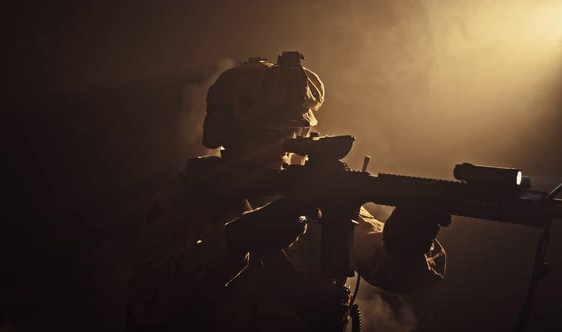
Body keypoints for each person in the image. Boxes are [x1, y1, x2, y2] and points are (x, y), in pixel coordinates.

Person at [126, 51, 449, 331]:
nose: (288, 143)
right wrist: (234, 241)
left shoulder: (318, 188)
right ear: (231, 134)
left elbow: (392, 273)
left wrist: (405, 246)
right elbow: (148, 303)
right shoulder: (189, 193)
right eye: (273, 133)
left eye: (297, 130)